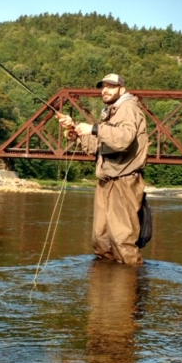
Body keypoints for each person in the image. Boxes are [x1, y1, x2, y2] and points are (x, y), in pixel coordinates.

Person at [58, 73, 149, 265]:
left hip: (124, 180)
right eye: (103, 87)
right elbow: (98, 147)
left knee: (122, 242)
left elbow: (124, 138)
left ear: (121, 89)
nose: (105, 90)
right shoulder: (111, 111)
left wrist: (94, 128)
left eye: (111, 86)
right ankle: (104, 290)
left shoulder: (127, 107)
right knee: (102, 242)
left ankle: (130, 288)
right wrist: (75, 129)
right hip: (106, 179)